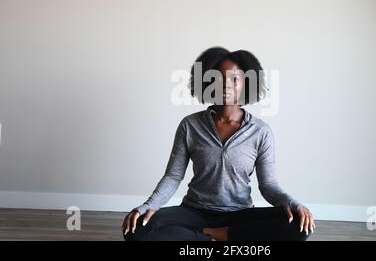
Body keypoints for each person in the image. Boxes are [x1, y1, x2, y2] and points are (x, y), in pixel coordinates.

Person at [122, 47, 315, 241]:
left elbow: (269, 185)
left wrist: (293, 204)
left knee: (299, 226)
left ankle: (209, 236)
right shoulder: (190, 125)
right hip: (194, 212)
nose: (225, 85)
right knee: (136, 228)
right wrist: (149, 205)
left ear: (246, 83)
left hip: (239, 214)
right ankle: (221, 239)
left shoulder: (260, 131)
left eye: (234, 79)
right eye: (218, 78)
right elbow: (173, 176)